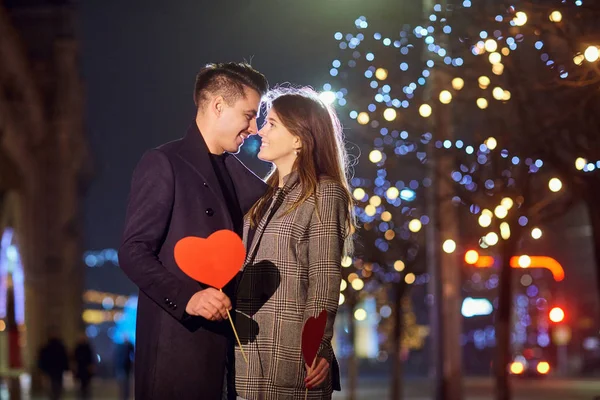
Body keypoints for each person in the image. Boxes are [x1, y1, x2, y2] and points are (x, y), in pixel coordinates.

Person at [118, 62, 268, 400]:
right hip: (178, 351)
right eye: (248, 115)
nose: (254, 128)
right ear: (218, 106)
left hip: (230, 355)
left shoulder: (236, 174)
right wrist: (189, 297)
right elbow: (132, 251)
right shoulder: (164, 162)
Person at [235, 87, 355, 399]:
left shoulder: (325, 193)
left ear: (299, 138)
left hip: (291, 360)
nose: (260, 131)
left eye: (272, 124)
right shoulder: (262, 196)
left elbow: (325, 277)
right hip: (245, 354)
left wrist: (316, 347)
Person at [38, 333, 69, 400]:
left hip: (53, 369)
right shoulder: (58, 347)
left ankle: (54, 395)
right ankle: (55, 395)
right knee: (55, 382)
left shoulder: (48, 347)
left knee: (54, 382)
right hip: (55, 369)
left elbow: (42, 358)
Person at [72, 333, 95, 399]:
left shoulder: (88, 348)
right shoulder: (77, 348)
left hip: (86, 371)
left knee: (86, 387)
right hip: (79, 370)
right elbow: (74, 359)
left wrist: (91, 367)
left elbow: (91, 359)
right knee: (79, 387)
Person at [114, 335, 135, 400]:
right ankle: (124, 396)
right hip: (123, 367)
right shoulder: (123, 347)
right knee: (123, 383)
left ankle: (125, 396)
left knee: (125, 383)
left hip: (125, 367)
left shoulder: (126, 346)